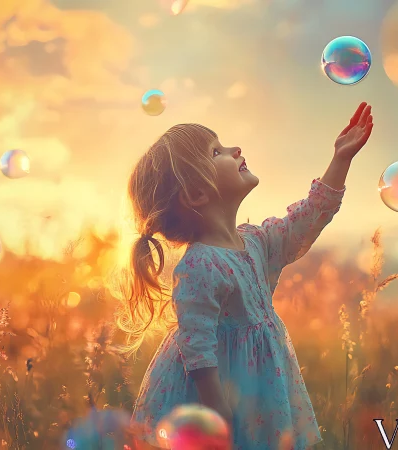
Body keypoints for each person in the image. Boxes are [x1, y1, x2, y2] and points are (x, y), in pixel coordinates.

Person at [117, 102, 374, 449]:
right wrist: (216, 410)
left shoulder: (256, 242)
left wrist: (341, 158)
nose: (234, 149)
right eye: (215, 151)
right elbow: (198, 347)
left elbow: (309, 217)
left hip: (260, 389)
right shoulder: (200, 265)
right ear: (196, 193)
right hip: (220, 394)